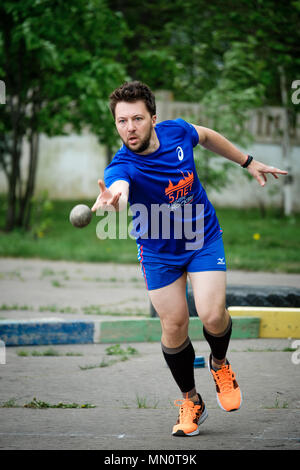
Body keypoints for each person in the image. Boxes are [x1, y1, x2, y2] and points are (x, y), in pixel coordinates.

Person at [91, 81, 287, 437]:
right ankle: (191, 400)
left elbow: (208, 136)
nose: (129, 128)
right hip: (158, 251)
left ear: (153, 118)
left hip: (201, 238)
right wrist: (114, 196)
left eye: (137, 118)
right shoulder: (121, 165)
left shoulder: (178, 132)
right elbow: (119, 184)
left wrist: (248, 161)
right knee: (174, 325)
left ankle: (220, 364)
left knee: (212, 314)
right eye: (121, 121)